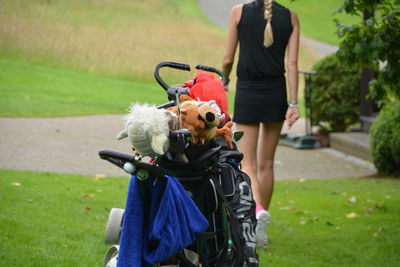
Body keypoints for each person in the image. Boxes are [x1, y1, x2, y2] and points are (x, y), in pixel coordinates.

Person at [221, 0, 300, 249]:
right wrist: (294, 103)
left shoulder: (238, 12)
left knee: (248, 163)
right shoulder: (291, 17)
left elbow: (227, 58)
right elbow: (292, 64)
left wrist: (224, 80)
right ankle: (261, 219)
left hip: (247, 92)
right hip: (276, 92)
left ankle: (257, 213)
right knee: (266, 164)